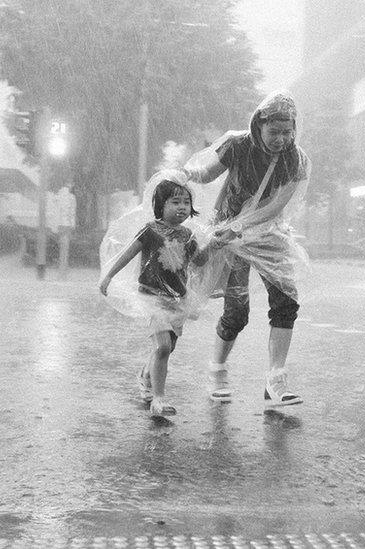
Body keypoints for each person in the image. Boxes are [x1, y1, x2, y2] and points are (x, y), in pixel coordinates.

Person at [182, 90, 311, 407]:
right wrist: (184, 173)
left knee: (286, 299)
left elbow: (274, 207)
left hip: (267, 234)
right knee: (237, 311)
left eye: (287, 131)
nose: (281, 138)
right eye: (274, 131)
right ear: (259, 125)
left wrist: (243, 225)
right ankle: (217, 370)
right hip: (228, 237)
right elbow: (208, 173)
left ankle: (276, 379)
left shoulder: (297, 160)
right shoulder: (238, 145)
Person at [98, 173, 226, 417]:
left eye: (186, 203)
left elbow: (198, 262)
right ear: (161, 205)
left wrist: (214, 245)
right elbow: (127, 253)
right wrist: (108, 275)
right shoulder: (150, 230)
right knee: (164, 346)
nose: (182, 208)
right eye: (175, 202)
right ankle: (158, 400)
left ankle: (146, 376)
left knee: (168, 347)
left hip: (177, 299)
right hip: (152, 297)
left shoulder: (187, 236)